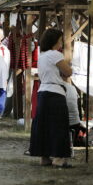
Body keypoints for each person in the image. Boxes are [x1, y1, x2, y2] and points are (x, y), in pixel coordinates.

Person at [28, 29, 73, 168]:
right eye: (59, 40)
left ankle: (44, 156)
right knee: (58, 125)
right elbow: (68, 72)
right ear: (55, 41)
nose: (61, 43)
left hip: (43, 92)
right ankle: (59, 157)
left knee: (43, 125)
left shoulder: (42, 55)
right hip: (55, 93)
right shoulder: (55, 54)